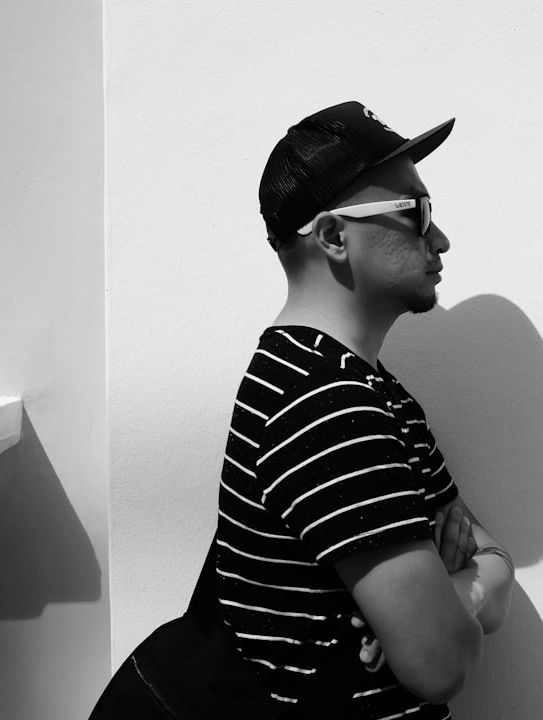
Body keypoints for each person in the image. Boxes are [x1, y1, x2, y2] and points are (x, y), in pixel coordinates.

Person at [216, 101, 515, 719]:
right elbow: (444, 665)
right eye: (416, 211)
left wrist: (453, 593)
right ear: (333, 236)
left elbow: (496, 564)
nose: (440, 238)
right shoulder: (324, 403)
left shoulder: (369, 388)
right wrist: (459, 594)